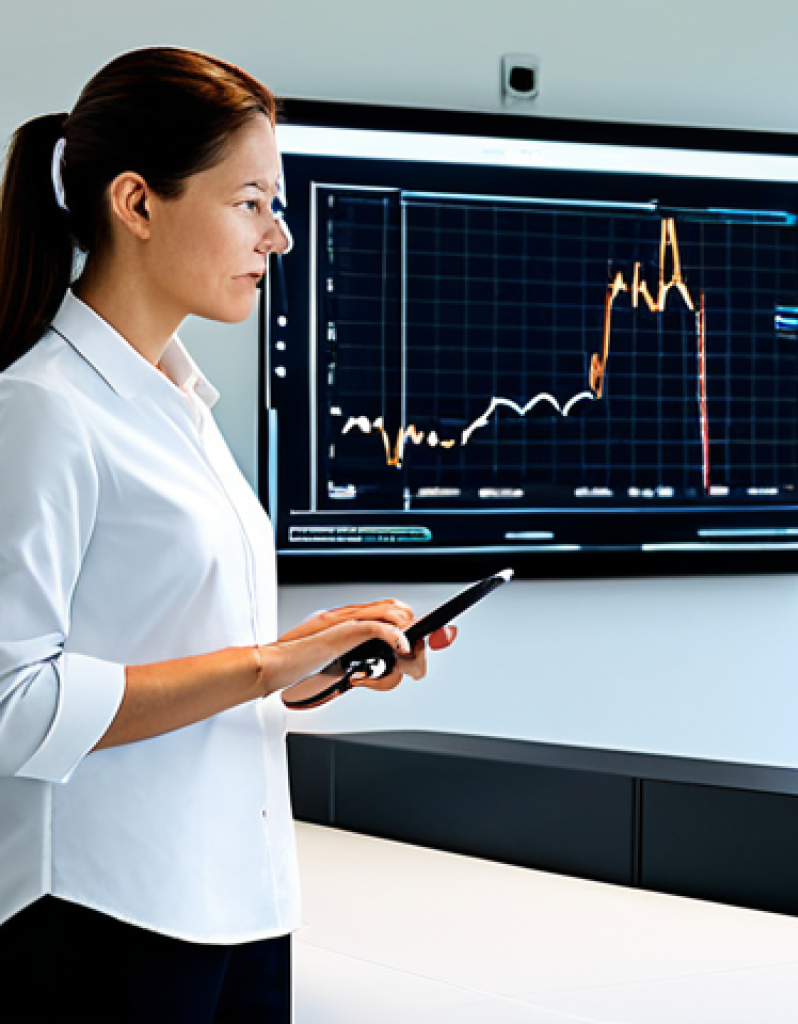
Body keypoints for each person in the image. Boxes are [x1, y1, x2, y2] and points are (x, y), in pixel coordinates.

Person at [0, 46, 453, 1023]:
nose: (278, 236)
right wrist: (261, 664)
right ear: (137, 202)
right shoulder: (41, 408)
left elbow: (172, 650)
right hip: (106, 915)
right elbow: (13, 704)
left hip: (241, 903)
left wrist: (307, 663)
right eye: (250, 202)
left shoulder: (180, 402)